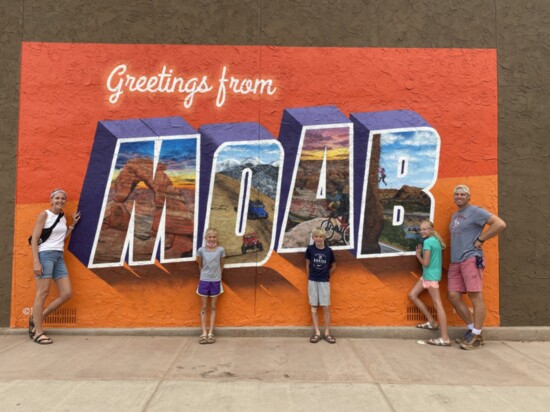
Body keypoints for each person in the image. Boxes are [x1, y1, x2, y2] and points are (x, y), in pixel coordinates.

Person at [448, 185, 506, 350]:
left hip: (471, 258)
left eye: (462, 194)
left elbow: (500, 224)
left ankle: (477, 335)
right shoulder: (455, 215)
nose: (459, 196)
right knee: (453, 296)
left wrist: (481, 239)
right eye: (457, 194)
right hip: (456, 261)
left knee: (475, 296)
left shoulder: (475, 211)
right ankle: (472, 329)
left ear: (468, 197)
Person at [29, 189, 81, 344]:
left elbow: (59, 238)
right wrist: (36, 261)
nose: (60, 200)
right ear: (51, 200)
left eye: (63, 198)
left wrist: (72, 226)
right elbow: (34, 239)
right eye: (57, 198)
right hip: (45, 255)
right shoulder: (44, 214)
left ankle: (38, 317)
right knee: (42, 293)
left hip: (58, 256)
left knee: (66, 293)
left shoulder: (62, 217)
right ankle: (38, 332)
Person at [408, 220, 450, 346]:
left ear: (432, 229)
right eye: (421, 229)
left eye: (425, 229)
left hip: (430, 277)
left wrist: (418, 255)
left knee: (438, 305)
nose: (422, 231)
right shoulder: (436, 240)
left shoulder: (427, 242)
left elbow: (425, 263)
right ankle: (432, 322)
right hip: (428, 275)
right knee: (412, 295)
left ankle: (445, 338)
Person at [305, 227, 336, 344]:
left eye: (320, 236)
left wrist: (327, 274)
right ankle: (317, 332)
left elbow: (334, 266)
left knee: (326, 307)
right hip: (312, 281)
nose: (318, 239)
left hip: (324, 281)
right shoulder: (310, 250)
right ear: (313, 237)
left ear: (324, 237)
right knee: (313, 307)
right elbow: (307, 264)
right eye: (316, 236)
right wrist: (309, 277)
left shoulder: (328, 251)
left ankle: (327, 332)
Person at [196, 228, 225, 344]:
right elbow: (200, 265)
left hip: (216, 281)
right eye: (210, 237)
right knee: (203, 306)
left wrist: (218, 275)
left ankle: (211, 332)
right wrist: (204, 274)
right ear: (206, 238)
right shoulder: (201, 250)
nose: (212, 239)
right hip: (204, 280)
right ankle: (203, 332)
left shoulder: (220, 250)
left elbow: (221, 264)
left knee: (213, 307)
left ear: (216, 238)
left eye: (214, 237)